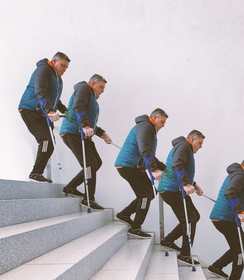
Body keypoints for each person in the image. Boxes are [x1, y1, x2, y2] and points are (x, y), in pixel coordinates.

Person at [59, 74, 112, 210]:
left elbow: (90, 121)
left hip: (82, 133)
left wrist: (102, 133)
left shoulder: (92, 97)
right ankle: (89, 199)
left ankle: (70, 187)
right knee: (90, 164)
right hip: (73, 132)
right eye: (101, 87)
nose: (102, 90)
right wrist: (84, 126)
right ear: (93, 83)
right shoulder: (84, 88)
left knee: (96, 162)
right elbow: (78, 107)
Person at [206, 157, 244, 280]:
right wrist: (240, 211)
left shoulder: (237, 174)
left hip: (225, 218)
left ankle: (216, 267)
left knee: (242, 245)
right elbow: (230, 191)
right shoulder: (241, 175)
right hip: (225, 218)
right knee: (240, 248)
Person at [114, 109, 169, 238]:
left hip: (132, 166)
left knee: (150, 193)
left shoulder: (148, 128)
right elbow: (144, 149)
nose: (163, 125)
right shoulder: (146, 126)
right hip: (128, 165)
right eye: (162, 122)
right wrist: (154, 170)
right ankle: (135, 228)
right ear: (154, 118)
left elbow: (150, 155)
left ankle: (124, 214)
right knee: (146, 194)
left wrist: (166, 169)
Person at [18, 52, 70, 183]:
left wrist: (65, 110)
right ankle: (35, 174)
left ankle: (37, 173)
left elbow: (55, 99)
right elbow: (40, 91)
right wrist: (50, 111)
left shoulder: (58, 79)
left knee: (50, 142)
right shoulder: (44, 69)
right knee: (46, 140)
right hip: (31, 109)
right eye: (62, 65)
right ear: (54, 61)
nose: (64, 69)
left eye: (66, 68)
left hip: (42, 113)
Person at [157, 131, 205, 265]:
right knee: (190, 219)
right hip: (172, 189)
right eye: (199, 143)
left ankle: (168, 240)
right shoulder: (184, 146)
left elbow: (182, 168)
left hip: (176, 189)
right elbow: (177, 164)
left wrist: (194, 184)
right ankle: (185, 255)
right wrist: (185, 184)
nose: (200, 146)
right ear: (193, 139)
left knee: (194, 216)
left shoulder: (184, 147)